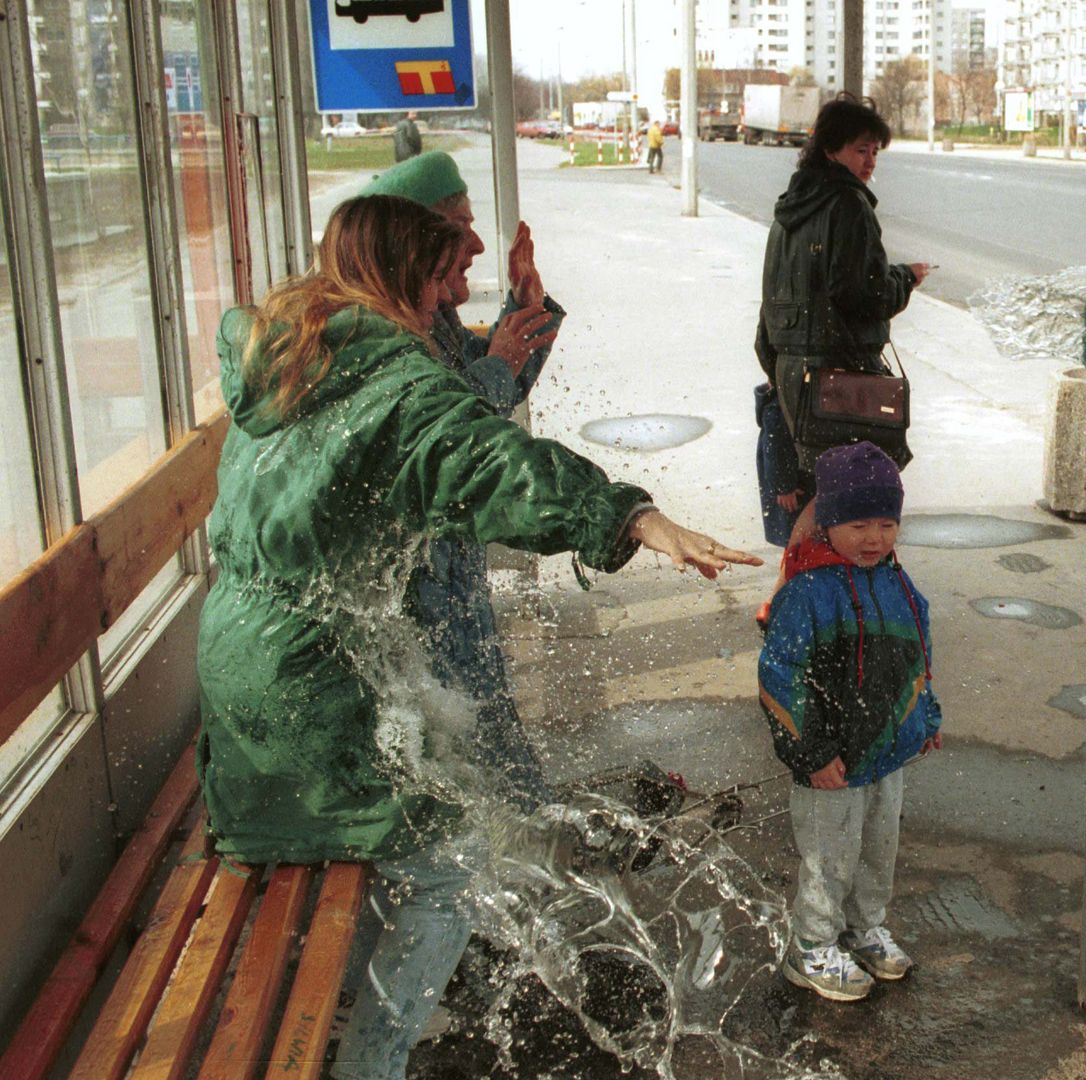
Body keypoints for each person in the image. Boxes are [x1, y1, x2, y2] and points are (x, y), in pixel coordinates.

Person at [197, 194, 760, 1079]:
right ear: (402, 280)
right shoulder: (388, 384)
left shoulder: (297, 353)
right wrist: (631, 516)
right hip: (306, 688)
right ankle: (370, 1064)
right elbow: (487, 459)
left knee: (434, 805)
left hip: (241, 665)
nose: (447, 301)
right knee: (450, 863)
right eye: (439, 281)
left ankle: (376, 1003)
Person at [358, 150, 565, 809]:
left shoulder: (428, 313)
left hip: (453, 571)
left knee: (490, 718)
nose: (477, 243)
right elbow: (446, 441)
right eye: (461, 226)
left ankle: (530, 834)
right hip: (423, 590)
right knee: (463, 739)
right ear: (416, 240)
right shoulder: (381, 331)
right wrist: (499, 363)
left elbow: (487, 384)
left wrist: (526, 310)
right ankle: (517, 839)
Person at [758, 442, 942, 1000]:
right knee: (828, 857)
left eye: (886, 524)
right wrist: (809, 753)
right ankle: (812, 947)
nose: (874, 539)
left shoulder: (899, 584)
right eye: (859, 524)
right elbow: (778, 679)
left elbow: (919, 660)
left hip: (887, 755)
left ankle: (865, 930)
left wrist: (925, 718)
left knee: (878, 850)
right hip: (829, 761)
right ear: (828, 523)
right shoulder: (808, 594)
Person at [754, 95, 932, 593]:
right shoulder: (848, 205)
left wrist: (779, 369)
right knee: (850, 489)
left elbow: (769, 305)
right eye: (861, 150)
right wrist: (906, 278)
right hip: (841, 376)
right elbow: (863, 293)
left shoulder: (789, 212)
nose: (870, 161)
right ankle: (794, 592)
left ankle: (807, 592)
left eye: (875, 151)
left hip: (795, 372)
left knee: (827, 487)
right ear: (831, 150)